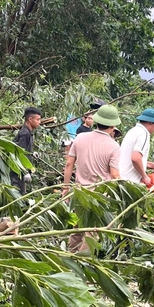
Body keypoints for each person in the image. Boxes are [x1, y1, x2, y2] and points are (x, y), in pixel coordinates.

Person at [62, 104, 121, 251]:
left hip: (79, 191)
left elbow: (69, 164)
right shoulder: (114, 147)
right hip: (99, 196)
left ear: (97, 121)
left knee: (77, 227)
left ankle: (71, 257)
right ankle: (82, 264)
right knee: (91, 232)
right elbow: (114, 175)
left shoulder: (80, 138)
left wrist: (65, 187)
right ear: (113, 126)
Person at [118, 108, 154, 186]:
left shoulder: (133, 131)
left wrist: (152, 165)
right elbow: (135, 158)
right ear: (151, 123)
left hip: (121, 178)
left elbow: (129, 158)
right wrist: (144, 176)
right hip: (131, 182)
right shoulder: (144, 134)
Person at [10, 106, 42, 194]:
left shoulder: (28, 132)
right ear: (30, 119)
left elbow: (24, 150)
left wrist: (31, 153)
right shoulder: (25, 133)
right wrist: (25, 172)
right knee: (17, 195)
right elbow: (19, 154)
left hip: (20, 172)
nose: (39, 122)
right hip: (17, 173)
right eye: (38, 119)